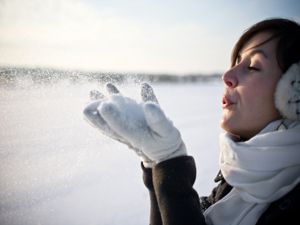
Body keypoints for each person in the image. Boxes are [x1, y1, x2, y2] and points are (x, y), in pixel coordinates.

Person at [83, 18, 300, 225]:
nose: (227, 75)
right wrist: (157, 166)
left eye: (252, 66)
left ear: (294, 92)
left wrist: (171, 163)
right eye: (235, 62)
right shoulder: (237, 181)